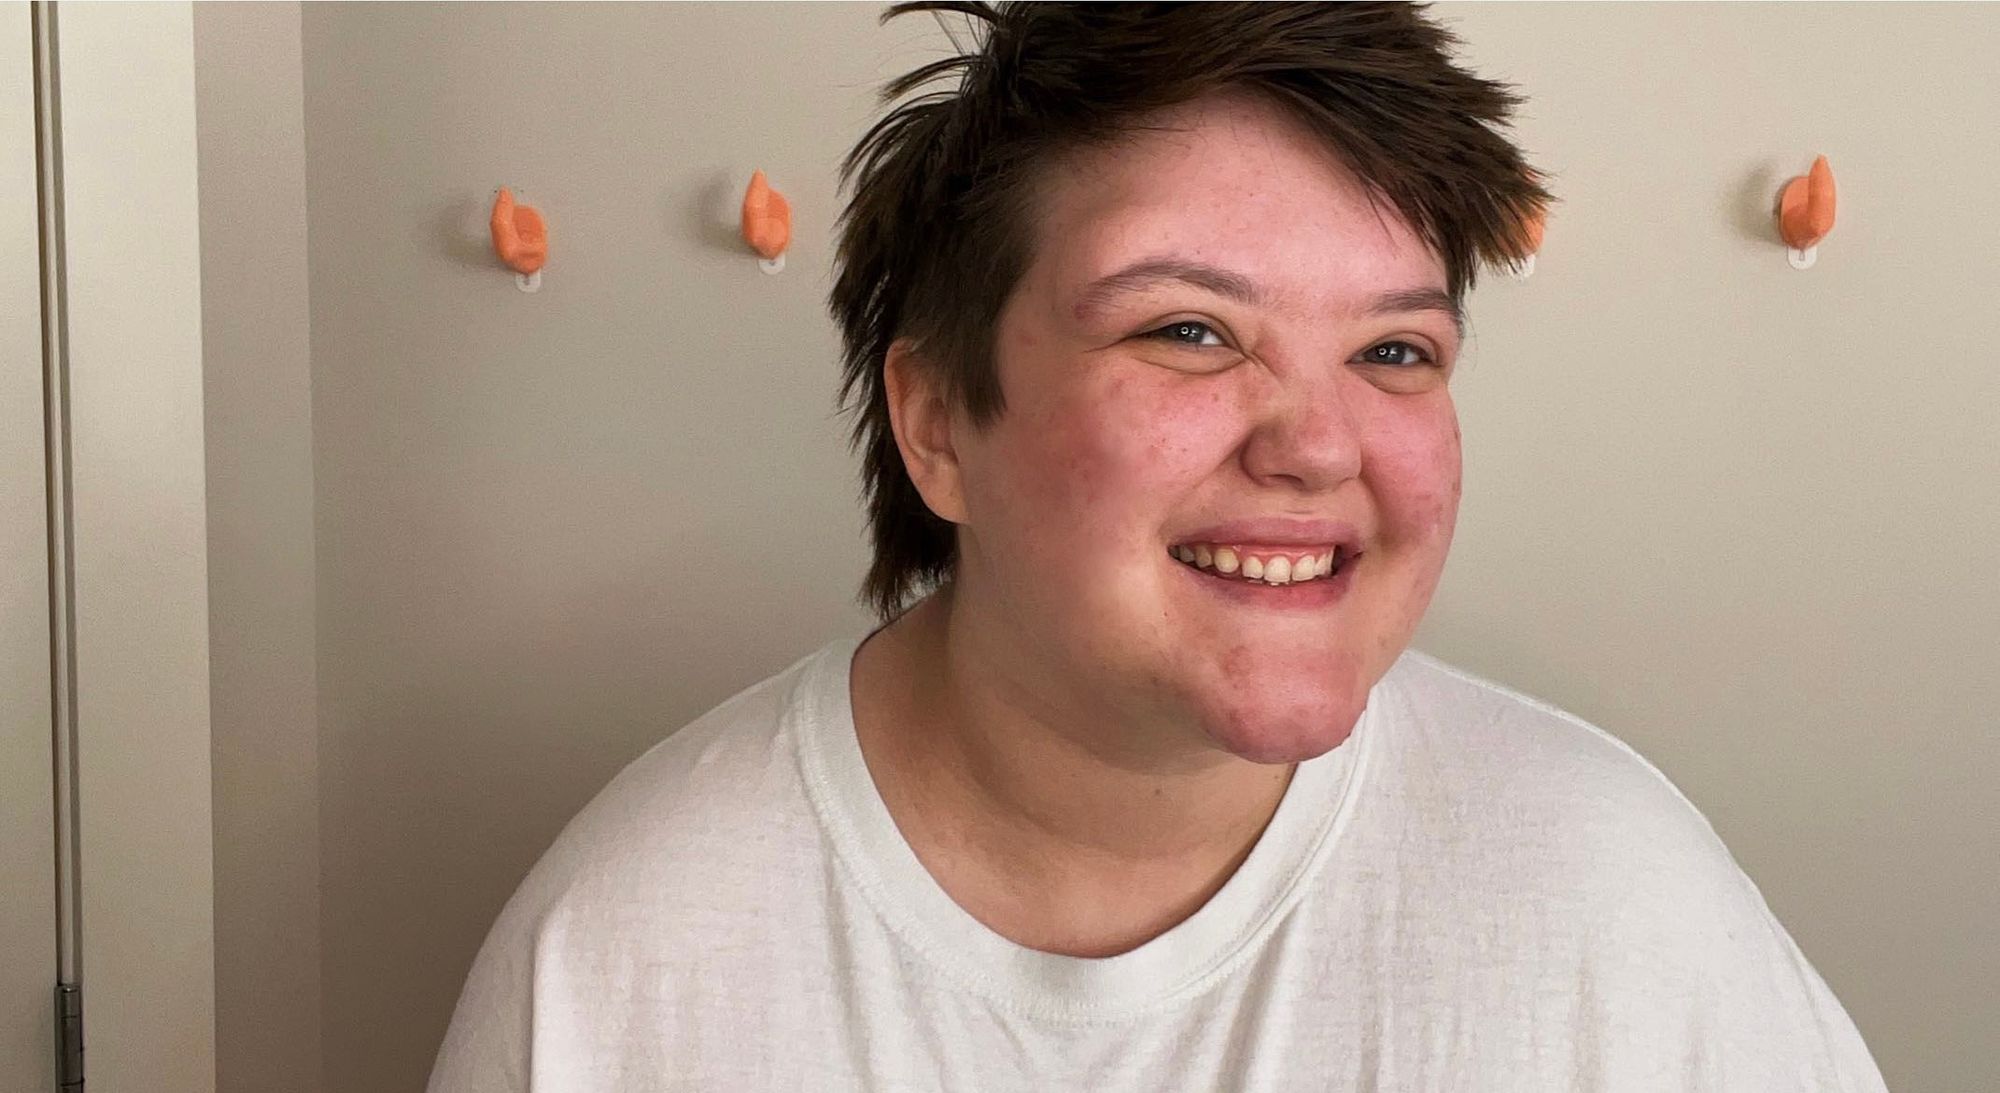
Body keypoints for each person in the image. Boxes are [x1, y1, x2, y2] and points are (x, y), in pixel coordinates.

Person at [428, 3, 1889, 1089]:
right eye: (1188, 330)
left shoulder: (1610, 906)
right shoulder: (621, 967)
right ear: (937, 419)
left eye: (1395, 349)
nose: (1318, 445)